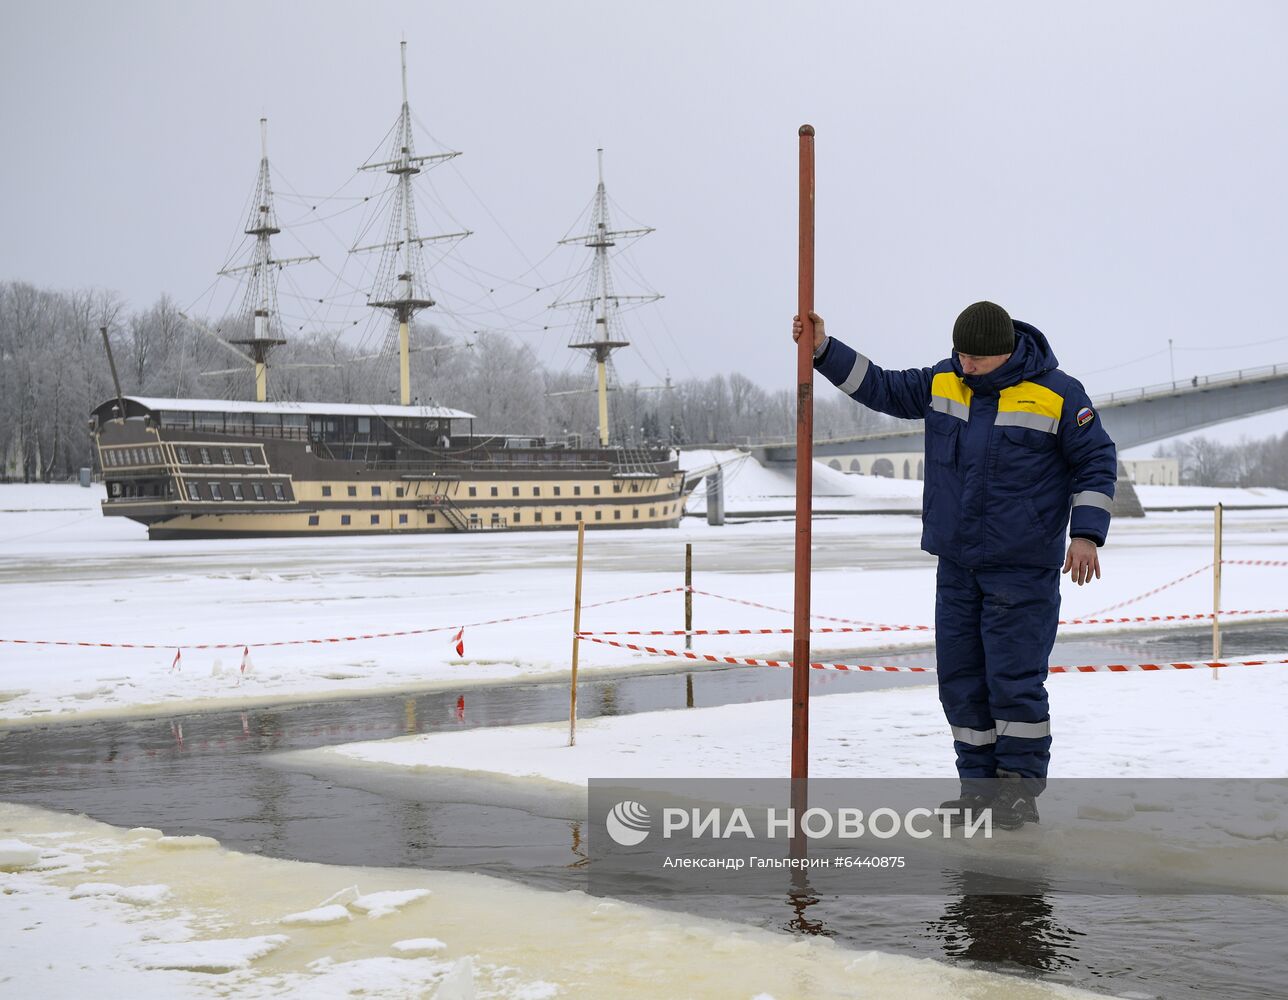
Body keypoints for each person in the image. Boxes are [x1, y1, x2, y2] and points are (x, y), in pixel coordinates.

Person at [792, 302, 1117, 830]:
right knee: (961, 681)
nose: (965, 366)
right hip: (958, 564)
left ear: (1005, 353)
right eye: (960, 355)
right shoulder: (945, 381)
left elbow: (1096, 461)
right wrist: (824, 350)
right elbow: (881, 387)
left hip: (1022, 568)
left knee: (1012, 682)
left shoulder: (1059, 394)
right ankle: (978, 791)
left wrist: (1085, 534)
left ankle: (1017, 794)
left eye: (976, 359)